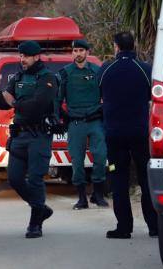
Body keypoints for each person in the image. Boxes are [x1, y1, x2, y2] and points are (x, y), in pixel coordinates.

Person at [0, 40, 57, 238]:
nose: (22, 59)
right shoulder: (18, 77)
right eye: (21, 56)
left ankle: (35, 223)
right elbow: (4, 103)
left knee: (36, 179)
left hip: (39, 136)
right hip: (19, 136)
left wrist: (15, 102)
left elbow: (38, 104)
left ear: (36, 57)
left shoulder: (47, 78)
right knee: (15, 178)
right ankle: (41, 208)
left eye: (26, 56)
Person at [97, 31, 158, 239]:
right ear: (133, 46)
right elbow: (154, 96)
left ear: (116, 47)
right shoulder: (145, 69)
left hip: (114, 135)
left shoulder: (106, 70)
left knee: (118, 179)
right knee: (145, 179)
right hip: (140, 133)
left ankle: (124, 227)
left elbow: (98, 95)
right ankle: (154, 226)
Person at [57, 38, 108, 210]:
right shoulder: (65, 73)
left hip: (95, 122)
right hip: (76, 123)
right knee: (77, 162)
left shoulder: (97, 71)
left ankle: (98, 195)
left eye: (81, 50)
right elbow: (57, 99)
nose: (78, 54)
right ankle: (81, 199)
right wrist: (63, 117)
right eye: (75, 51)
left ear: (87, 52)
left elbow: (106, 96)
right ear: (72, 53)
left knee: (100, 158)